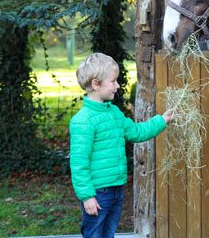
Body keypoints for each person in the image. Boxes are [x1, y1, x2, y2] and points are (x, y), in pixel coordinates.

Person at [69, 52, 173, 238]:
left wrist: (162, 120)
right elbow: (79, 163)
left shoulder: (114, 112)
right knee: (94, 234)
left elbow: (136, 132)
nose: (117, 85)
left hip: (116, 188)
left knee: (108, 234)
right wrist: (87, 196)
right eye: (113, 81)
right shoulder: (83, 121)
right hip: (98, 193)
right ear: (96, 84)